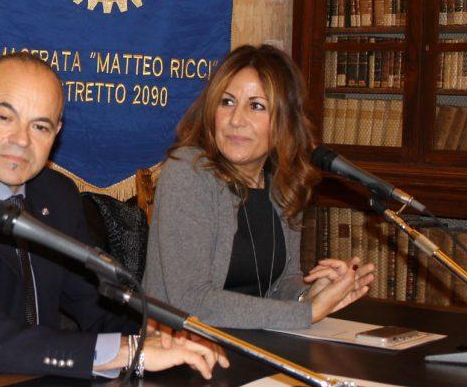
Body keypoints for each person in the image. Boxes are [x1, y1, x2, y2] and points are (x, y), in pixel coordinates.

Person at [0, 52, 227, 387]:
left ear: (56, 133)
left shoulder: (55, 194)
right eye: (4, 117)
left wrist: (157, 334)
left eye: (40, 126)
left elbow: (95, 302)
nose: (21, 140)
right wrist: (127, 352)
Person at [143, 44, 375, 330]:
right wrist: (307, 312)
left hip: (255, 345)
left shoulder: (283, 182)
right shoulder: (188, 172)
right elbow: (191, 301)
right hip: (181, 352)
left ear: (284, 121)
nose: (236, 120)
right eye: (226, 102)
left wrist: (311, 292)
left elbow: (278, 284)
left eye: (256, 106)